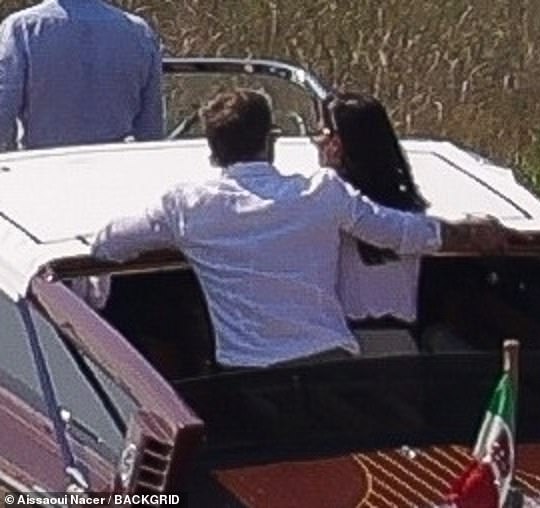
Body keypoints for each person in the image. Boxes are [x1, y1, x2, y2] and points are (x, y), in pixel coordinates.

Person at [91, 88, 450, 369]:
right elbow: (401, 232)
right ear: (271, 140)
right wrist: (467, 233)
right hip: (330, 362)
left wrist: (96, 276)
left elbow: (109, 243)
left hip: (250, 375)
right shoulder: (321, 192)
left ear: (214, 152)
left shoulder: (186, 206)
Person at [313, 92, 426, 326]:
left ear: (338, 143)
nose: (317, 141)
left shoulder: (332, 199)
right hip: (401, 339)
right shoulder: (406, 204)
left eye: (322, 133)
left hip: (350, 340)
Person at [0, 0, 163, 151]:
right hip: (113, 167)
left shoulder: (22, 29)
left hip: (42, 166)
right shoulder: (139, 31)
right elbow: (150, 129)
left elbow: (4, 111)